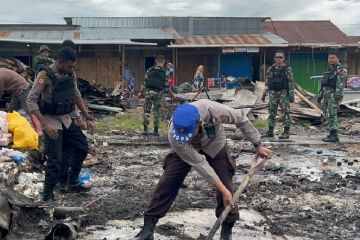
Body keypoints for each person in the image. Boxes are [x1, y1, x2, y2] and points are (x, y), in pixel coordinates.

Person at [134, 99, 272, 240]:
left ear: (198, 123)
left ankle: (226, 231)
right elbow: (200, 164)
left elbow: (241, 118)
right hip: (187, 149)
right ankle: (147, 229)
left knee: (225, 182)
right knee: (168, 181)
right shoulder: (175, 136)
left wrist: (258, 144)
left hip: (214, 145)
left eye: (189, 132)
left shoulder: (214, 111)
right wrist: (222, 189)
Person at [27, 47, 95, 202]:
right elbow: (30, 100)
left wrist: (86, 117)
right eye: (69, 66)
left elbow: (76, 94)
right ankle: (48, 194)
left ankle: (72, 182)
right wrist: (44, 125)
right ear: (60, 61)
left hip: (66, 118)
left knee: (81, 147)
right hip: (50, 120)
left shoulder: (70, 74)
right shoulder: (44, 75)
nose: (71, 69)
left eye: (73, 66)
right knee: (55, 159)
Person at [262, 50, 294, 139]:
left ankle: (286, 132)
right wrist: (264, 94)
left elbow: (291, 82)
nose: (279, 59)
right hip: (273, 93)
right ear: (274, 58)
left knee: (285, 113)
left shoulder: (287, 69)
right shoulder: (270, 69)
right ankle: (270, 131)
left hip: (283, 93)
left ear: (284, 58)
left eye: (281, 57)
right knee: (272, 113)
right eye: (277, 57)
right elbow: (267, 82)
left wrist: (291, 94)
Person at [0, 68, 42, 135]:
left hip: (23, 89)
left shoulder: (0, 76)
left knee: (31, 111)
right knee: (11, 111)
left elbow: (0, 92)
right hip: (16, 91)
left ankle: (39, 131)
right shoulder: (1, 71)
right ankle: (7, 129)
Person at [141, 55, 175, 136]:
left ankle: (145, 130)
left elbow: (144, 82)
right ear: (163, 62)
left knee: (146, 111)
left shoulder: (149, 70)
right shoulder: (165, 72)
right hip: (159, 94)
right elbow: (167, 86)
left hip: (148, 93)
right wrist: (172, 95)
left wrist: (140, 92)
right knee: (157, 111)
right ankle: (155, 131)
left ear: (156, 61)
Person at [318, 52, 347, 142]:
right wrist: (321, 95)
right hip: (327, 95)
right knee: (328, 114)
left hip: (333, 95)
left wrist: (337, 96)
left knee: (332, 114)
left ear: (338, 59)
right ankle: (331, 134)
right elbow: (324, 84)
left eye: (333, 58)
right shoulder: (329, 69)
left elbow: (340, 84)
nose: (331, 59)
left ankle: (334, 135)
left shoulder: (340, 69)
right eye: (329, 58)